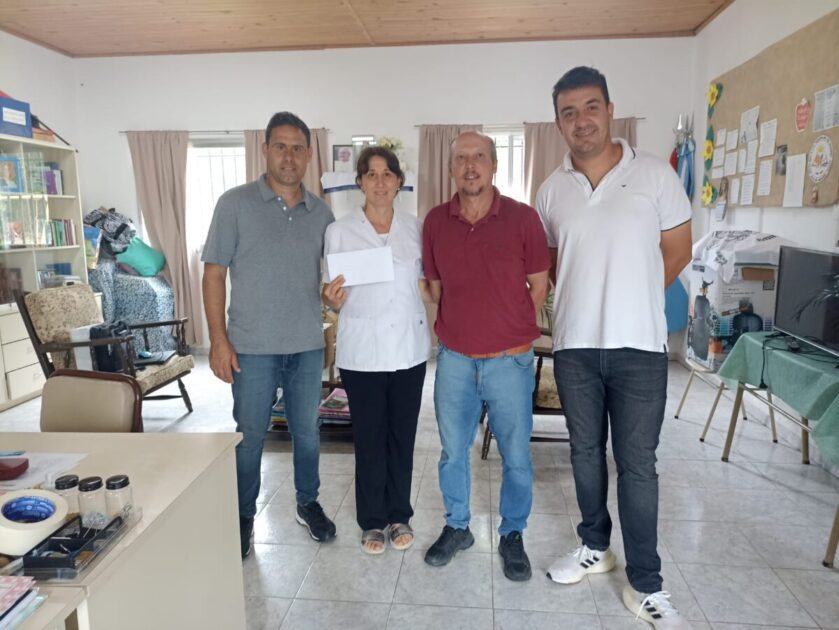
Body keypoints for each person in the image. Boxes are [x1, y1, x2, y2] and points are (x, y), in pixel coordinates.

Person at [536, 67, 693, 628]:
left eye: (590, 107)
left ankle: (646, 583)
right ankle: (595, 547)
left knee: (637, 466)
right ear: (558, 123)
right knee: (583, 454)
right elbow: (552, 265)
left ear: (609, 109)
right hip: (575, 346)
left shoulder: (653, 174)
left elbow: (678, 250)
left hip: (639, 348)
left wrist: (635, 294)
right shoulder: (551, 190)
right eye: (569, 112)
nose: (581, 120)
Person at [202, 111, 337, 560]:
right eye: (280, 146)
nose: (289, 156)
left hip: (306, 344)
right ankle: (243, 515)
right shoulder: (234, 204)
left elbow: (326, 279)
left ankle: (307, 502)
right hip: (252, 347)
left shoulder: (322, 214)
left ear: (309, 155)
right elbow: (214, 274)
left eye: (298, 148)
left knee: (308, 433)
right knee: (250, 436)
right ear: (265, 150)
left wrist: (332, 297)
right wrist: (218, 340)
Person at [421, 131, 550, 581]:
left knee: (515, 456)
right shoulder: (435, 222)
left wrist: (506, 327)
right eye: (461, 158)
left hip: (509, 361)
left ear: (494, 165)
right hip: (455, 359)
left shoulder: (523, 218)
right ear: (451, 168)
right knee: (453, 451)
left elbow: (539, 287)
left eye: (479, 156)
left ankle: (512, 533)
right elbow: (436, 289)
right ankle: (458, 526)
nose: (470, 165)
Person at [322, 146, 431, 555]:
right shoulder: (339, 231)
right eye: (371, 174)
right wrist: (330, 298)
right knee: (369, 438)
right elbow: (331, 291)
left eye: (388, 174)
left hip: (408, 348)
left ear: (399, 181)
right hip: (363, 351)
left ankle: (399, 514)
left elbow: (428, 285)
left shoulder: (417, 229)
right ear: (360, 182)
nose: (380, 182)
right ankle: (371, 520)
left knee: (402, 436)